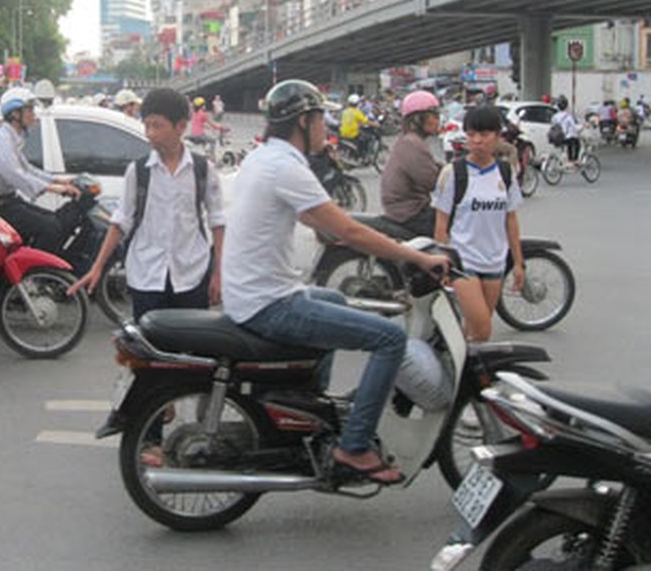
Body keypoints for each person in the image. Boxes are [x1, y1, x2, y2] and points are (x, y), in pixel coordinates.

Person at [221, 80, 448, 485]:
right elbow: (352, 231)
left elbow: (312, 217)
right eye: (322, 119)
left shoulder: (263, 158)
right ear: (303, 121)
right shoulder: (286, 165)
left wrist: (333, 229)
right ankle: (354, 446)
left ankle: (308, 410)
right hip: (269, 303)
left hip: (254, 294)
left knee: (335, 302)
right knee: (389, 338)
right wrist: (419, 257)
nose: (328, 128)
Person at [68, 88, 225, 319]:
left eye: (157, 126)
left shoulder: (202, 170)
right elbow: (121, 221)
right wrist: (97, 267)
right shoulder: (138, 171)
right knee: (150, 349)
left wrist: (218, 273)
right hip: (146, 277)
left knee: (192, 351)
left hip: (192, 274)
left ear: (180, 127)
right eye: (147, 125)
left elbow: (218, 222)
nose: (149, 133)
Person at [434, 105, 524, 342]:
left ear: (497, 136)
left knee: (475, 334)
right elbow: (441, 222)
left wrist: (518, 263)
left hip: (495, 262)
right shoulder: (453, 173)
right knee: (483, 328)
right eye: (472, 134)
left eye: (484, 135)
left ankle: (457, 372)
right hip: (464, 263)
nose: (477, 140)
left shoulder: (505, 173)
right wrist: (440, 262)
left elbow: (511, 219)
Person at [0, 88, 80, 253]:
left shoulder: (13, 137)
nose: (33, 115)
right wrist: (54, 189)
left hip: (9, 202)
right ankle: (33, 275)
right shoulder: (1, 140)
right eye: (29, 110)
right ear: (15, 114)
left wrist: (58, 181)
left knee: (55, 220)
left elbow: (27, 168)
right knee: (49, 228)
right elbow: (16, 174)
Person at [380, 90, 443, 236]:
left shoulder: (409, 140)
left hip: (405, 209)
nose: (437, 121)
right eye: (433, 116)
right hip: (409, 213)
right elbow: (432, 181)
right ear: (418, 119)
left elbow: (431, 167)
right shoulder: (413, 143)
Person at [550, 95, 580, 163]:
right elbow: (574, 127)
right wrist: (582, 127)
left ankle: (569, 159)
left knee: (570, 142)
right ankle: (574, 160)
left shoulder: (555, 116)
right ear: (566, 106)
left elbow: (553, 125)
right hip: (565, 137)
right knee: (576, 142)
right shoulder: (568, 116)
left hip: (557, 138)